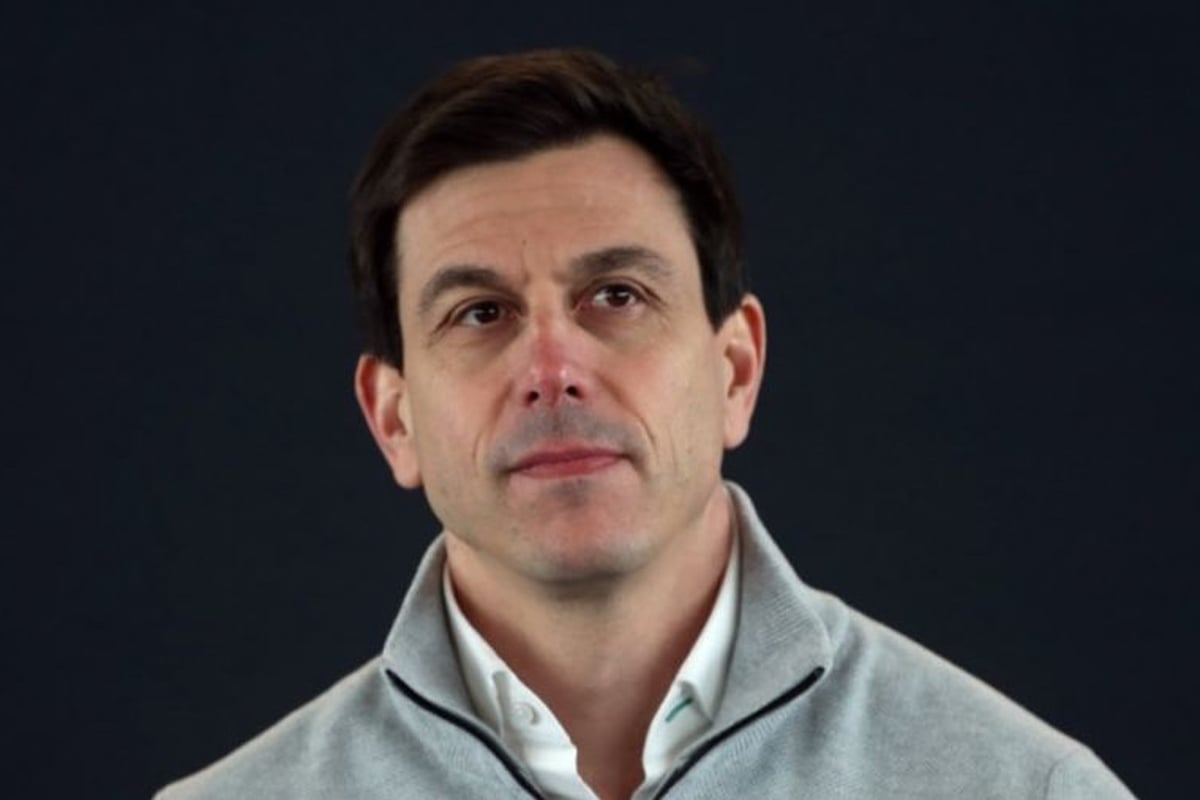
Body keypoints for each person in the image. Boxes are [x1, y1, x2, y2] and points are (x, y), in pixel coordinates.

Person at [156, 49, 1134, 799]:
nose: (551, 371)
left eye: (617, 295)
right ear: (393, 419)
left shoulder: (1027, 788)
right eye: (481, 313)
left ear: (735, 369)